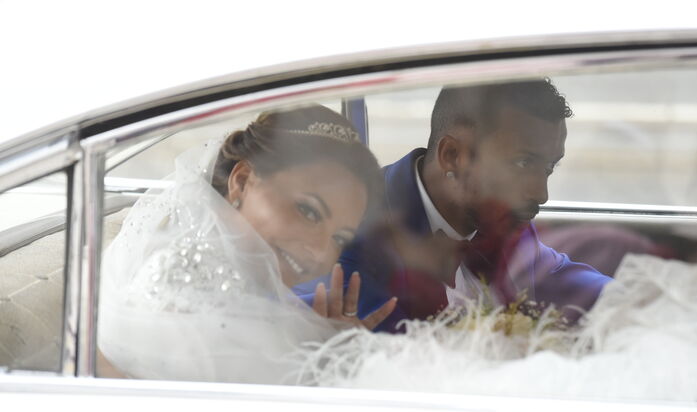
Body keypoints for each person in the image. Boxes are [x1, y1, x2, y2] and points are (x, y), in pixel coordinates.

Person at [98, 105, 396, 383]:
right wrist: (330, 366)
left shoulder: (244, 289)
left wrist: (324, 347)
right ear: (241, 181)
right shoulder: (180, 287)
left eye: (339, 238)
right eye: (308, 211)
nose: (321, 252)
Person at [296, 79, 611, 331]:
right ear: (452, 156)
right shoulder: (349, 228)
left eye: (548, 168)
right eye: (522, 163)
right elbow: (304, 321)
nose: (541, 193)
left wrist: (635, 300)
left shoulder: (500, 219)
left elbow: (556, 276)